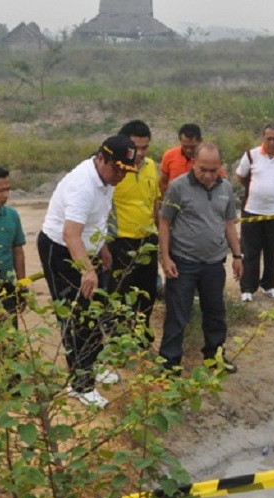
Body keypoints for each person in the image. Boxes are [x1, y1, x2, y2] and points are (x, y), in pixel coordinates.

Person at [37, 136, 138, 408]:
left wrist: (102, 247)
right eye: (117, 169)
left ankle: (91, 365)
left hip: (86, 248)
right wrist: (87, 271)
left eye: (125, 171)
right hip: (61, 251)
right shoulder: (83, 184)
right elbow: (71, 234)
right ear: (101, 159)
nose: (121, 176)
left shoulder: (107, 179)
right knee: (76, 317)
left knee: (95, 310)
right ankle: (80, 386)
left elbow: (97, 219)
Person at [158, 143, 243, 373]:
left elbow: (229, 224)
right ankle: (169, 363)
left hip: (214, 264)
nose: (208, 175)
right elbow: (164, 222)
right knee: (178, 315)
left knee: (216, 313)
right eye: (203, 169)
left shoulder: (225, 188)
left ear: (220, 167)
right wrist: (165, 258)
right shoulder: (178, 187)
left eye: (213, 170)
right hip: (183, 263)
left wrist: (237, 255)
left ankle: (214, 356)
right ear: (193, 163)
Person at [107, 120, 162, 348]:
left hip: (148, 242)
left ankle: (141, 336)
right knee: (121, 295)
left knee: (146, 294)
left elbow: (155, 202)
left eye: (145, 147)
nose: (141, 153)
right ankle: (120, 341)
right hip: (119, 242)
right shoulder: (114, 171)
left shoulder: (150, 166)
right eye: (136, 147)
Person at [236, 123, 274, 302]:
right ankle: (247, 288)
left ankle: (269, 285)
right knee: (250, 251)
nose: (271, 142)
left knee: (271, 250)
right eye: (268, 138)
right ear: (263, 138)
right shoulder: (251, 155)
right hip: (252, 211)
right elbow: (240, 175)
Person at [158, 123, 225, 196]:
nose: (188, 150)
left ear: (200, 141)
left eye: (192, 147)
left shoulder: (208, 159)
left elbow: (221, 182)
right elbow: (163, 182)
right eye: (185, 146)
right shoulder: (169, 156)